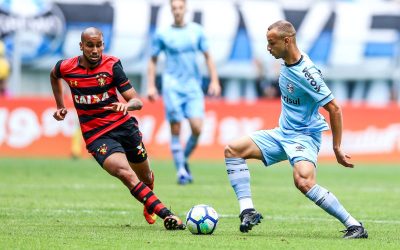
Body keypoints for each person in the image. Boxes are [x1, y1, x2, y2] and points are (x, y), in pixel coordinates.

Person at [224, 20, 368, 239]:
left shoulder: (307, 74)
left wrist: (337, 147)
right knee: (232, 150)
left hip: (304, 136)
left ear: (287, 41)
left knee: (303, 181)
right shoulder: (287, 61)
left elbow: (335, 109)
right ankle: (248, 211)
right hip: (282, 133)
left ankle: (354, 226)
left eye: (271, 43)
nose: (268, 48)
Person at [50, 27, 185, 230]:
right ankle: (167, 214)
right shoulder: (67, 67)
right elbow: (54, 75)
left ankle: (148, 198)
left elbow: (137, 102)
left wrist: (127, 105)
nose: (95, 50)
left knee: (145, 177)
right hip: (96, 135)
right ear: (81, 46)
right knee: (125, 173)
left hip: (124, 126)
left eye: (99, 45)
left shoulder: (112, 65)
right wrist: (60, 105)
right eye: (90, 45)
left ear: (103, 44)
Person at [147, 0, 221, 185]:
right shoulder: (163, 34)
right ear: (171, 10)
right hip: (172, 86)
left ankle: (183, 159)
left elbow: (208, 56)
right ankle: (181, 171)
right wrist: (151, 85)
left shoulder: (197, 31)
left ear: (185, 9)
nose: (177, 11)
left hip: (193, 87)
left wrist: (214, 80)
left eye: (180, 8)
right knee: (176, 128)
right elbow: (153, 60)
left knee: (197, 128)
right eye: (174, 9)